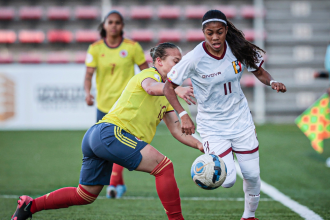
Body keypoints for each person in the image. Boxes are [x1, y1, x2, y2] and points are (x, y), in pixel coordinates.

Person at [11, 42, 203, 220]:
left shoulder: (167, 95)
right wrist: (175, 89)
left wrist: (201, 145)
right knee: (164, 167)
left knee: (85, 195)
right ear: (159, 61)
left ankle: (30, 206)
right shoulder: (150, 75)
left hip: (97, 136)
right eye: (175, 62)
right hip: (110, 133)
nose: (179, 67)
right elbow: (152, 88)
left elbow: (177, 130)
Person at [163, 10, 287, 220]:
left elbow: (259, 72)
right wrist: (183, 114)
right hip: (213, 126)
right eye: (209, 33)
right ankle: (206, 164)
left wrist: (272, 81)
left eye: (219, 32)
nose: (214, 37)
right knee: (227, 180)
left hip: (241, 122)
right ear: (203, 32)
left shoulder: (238, 49)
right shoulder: (194, 58)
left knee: (252, 175)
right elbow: (168, 87)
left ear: (226, 30)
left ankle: (249, 216)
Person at [84, 10, 149, 199]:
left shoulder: (132, 47)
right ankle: (117, 184)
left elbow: (146, 72)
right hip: (104, 106)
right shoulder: (95, 49)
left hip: (125, 106)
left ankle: (112, 184)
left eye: (117, 22)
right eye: (110, 22)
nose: (114, 25)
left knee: (120, 147)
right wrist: (87, 93)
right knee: (106, 150)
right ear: (104, 25)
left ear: (122, 26)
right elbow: (88, 75)